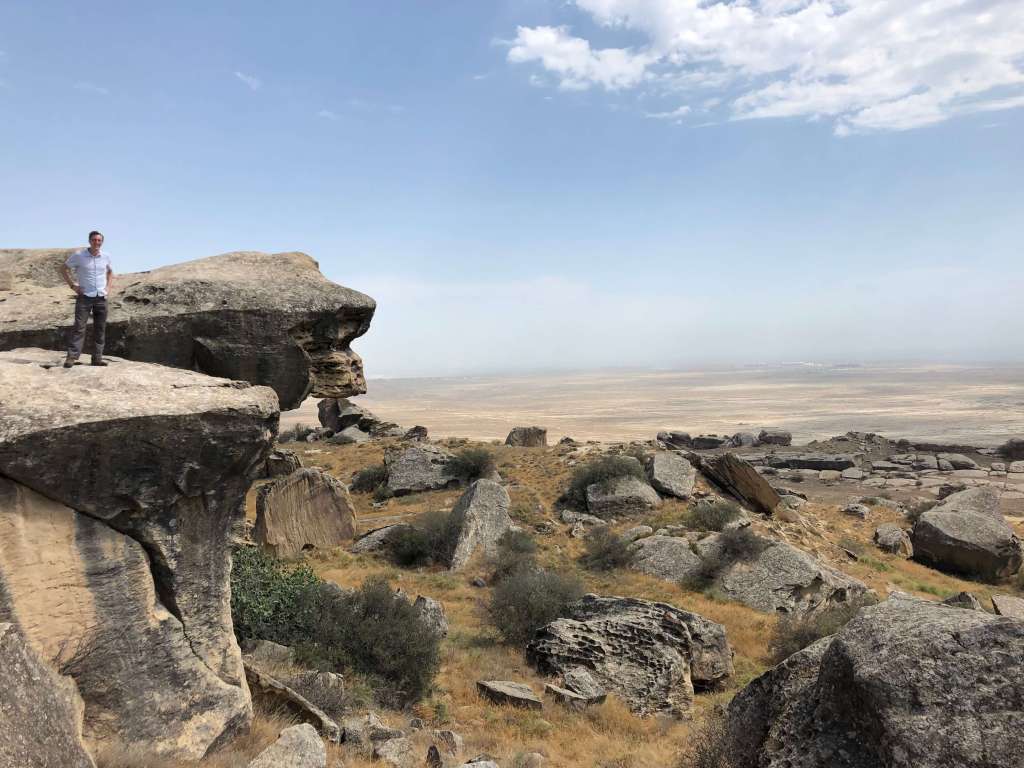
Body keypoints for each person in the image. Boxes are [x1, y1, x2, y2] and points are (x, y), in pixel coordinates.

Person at [60, 230, 115, 367]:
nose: (96, 242)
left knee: (100, 328)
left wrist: (108, 288)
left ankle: (97, 358)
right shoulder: (79, 256)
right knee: (79, 327)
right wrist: (73, 286)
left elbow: (110, 272)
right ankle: (72, 357)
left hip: (101, 297)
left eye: (99, 240)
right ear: (89, 241)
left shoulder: (106, 256)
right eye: (94, 240)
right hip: (84, 297)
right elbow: (63, 268)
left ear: (102, 242)